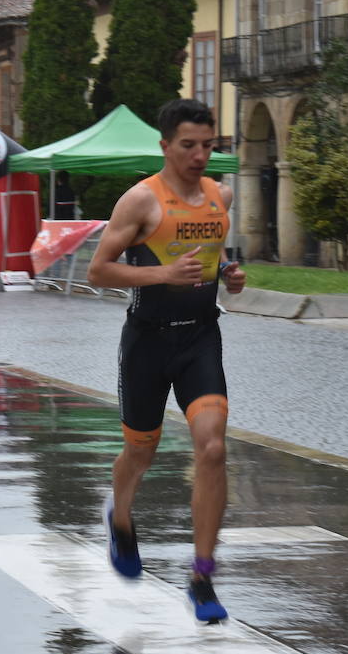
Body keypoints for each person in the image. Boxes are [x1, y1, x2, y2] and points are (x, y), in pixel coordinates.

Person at [86, 98, 247, 623]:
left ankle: (202, 575)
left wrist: (229, 274)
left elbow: (212, 257)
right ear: (165, 146)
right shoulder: (140, 202)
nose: (200, 156)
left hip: (201, 338)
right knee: (141, 451)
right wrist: (161, 277)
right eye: (189, 146)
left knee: (214, 447)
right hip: (148, 343)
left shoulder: (219, 197)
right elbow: (99, 271)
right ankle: (122, 518)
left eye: (208, 145)